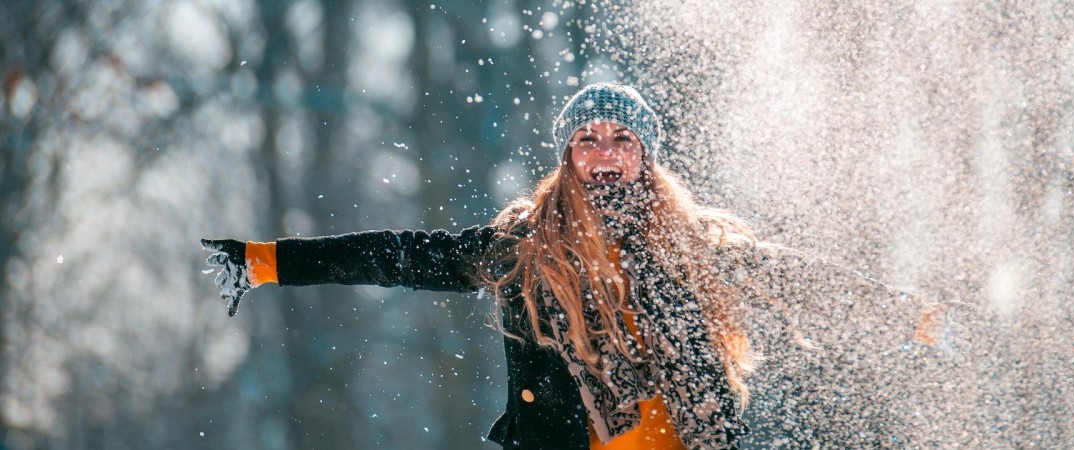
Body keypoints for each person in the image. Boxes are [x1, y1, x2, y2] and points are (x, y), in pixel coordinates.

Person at [202, 83, 949, 449]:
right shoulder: (523, 251)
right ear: (567, 156)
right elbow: (404, 255)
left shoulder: (692, 247)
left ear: (644, 155)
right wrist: (267, 262)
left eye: (621, 138)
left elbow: (795, 281)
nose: (603, 152)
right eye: (587, 138)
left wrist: (911, 316)